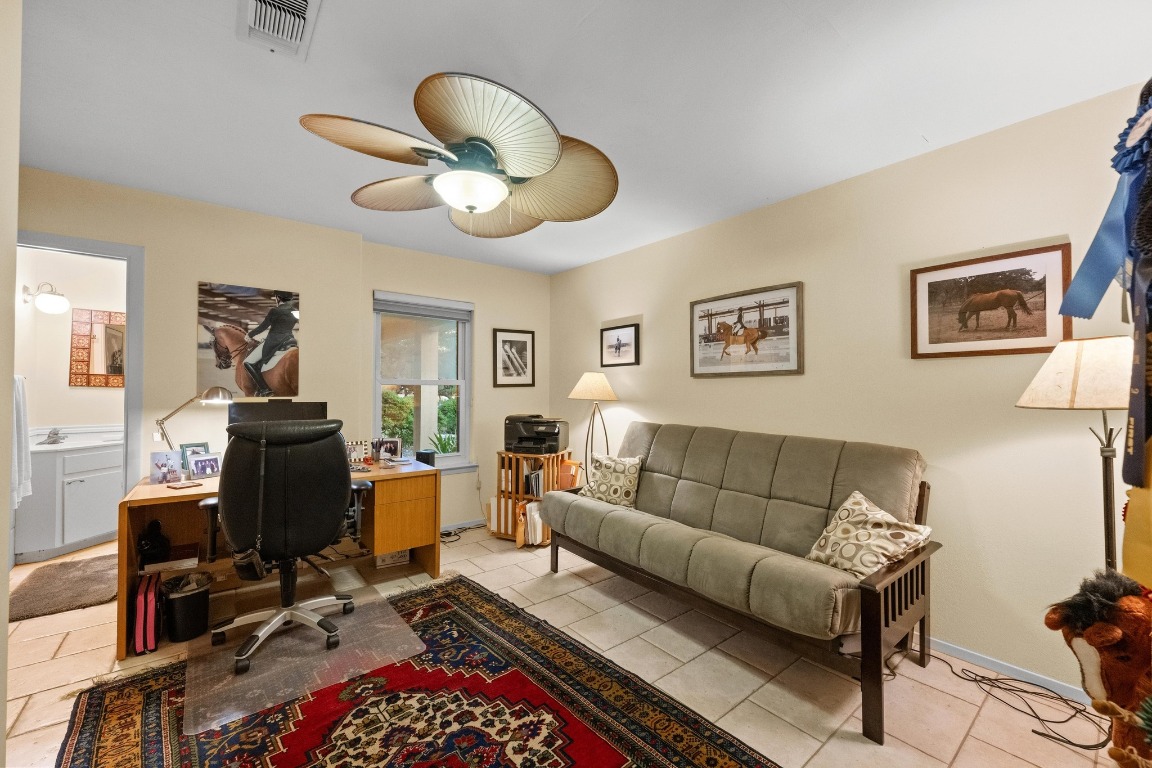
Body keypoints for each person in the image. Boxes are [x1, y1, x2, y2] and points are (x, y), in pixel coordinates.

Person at [244, 290, 298, 397]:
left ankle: (265, 390)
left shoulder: (275, 310)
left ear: (278, 298)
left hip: (274, 341)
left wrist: (249, 335)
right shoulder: (295, 311)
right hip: (290, 340)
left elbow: (263, 326)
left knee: (247, 362)